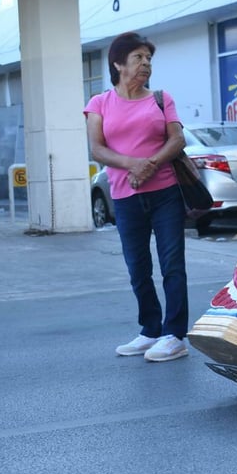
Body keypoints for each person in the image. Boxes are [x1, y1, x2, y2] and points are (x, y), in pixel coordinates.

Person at [84, 32, 189, 362]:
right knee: (137, 268)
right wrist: (134, 165)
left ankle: (174, 334)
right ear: (118, 63)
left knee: (172, 264)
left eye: (148, 59)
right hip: (125, 197)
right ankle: (150, 329)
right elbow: (97, 148)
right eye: (138, 58)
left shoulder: (160, 98)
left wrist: (152, 164)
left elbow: (178, 139)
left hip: (166, 193)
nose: (145, 64)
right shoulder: (99, 103)